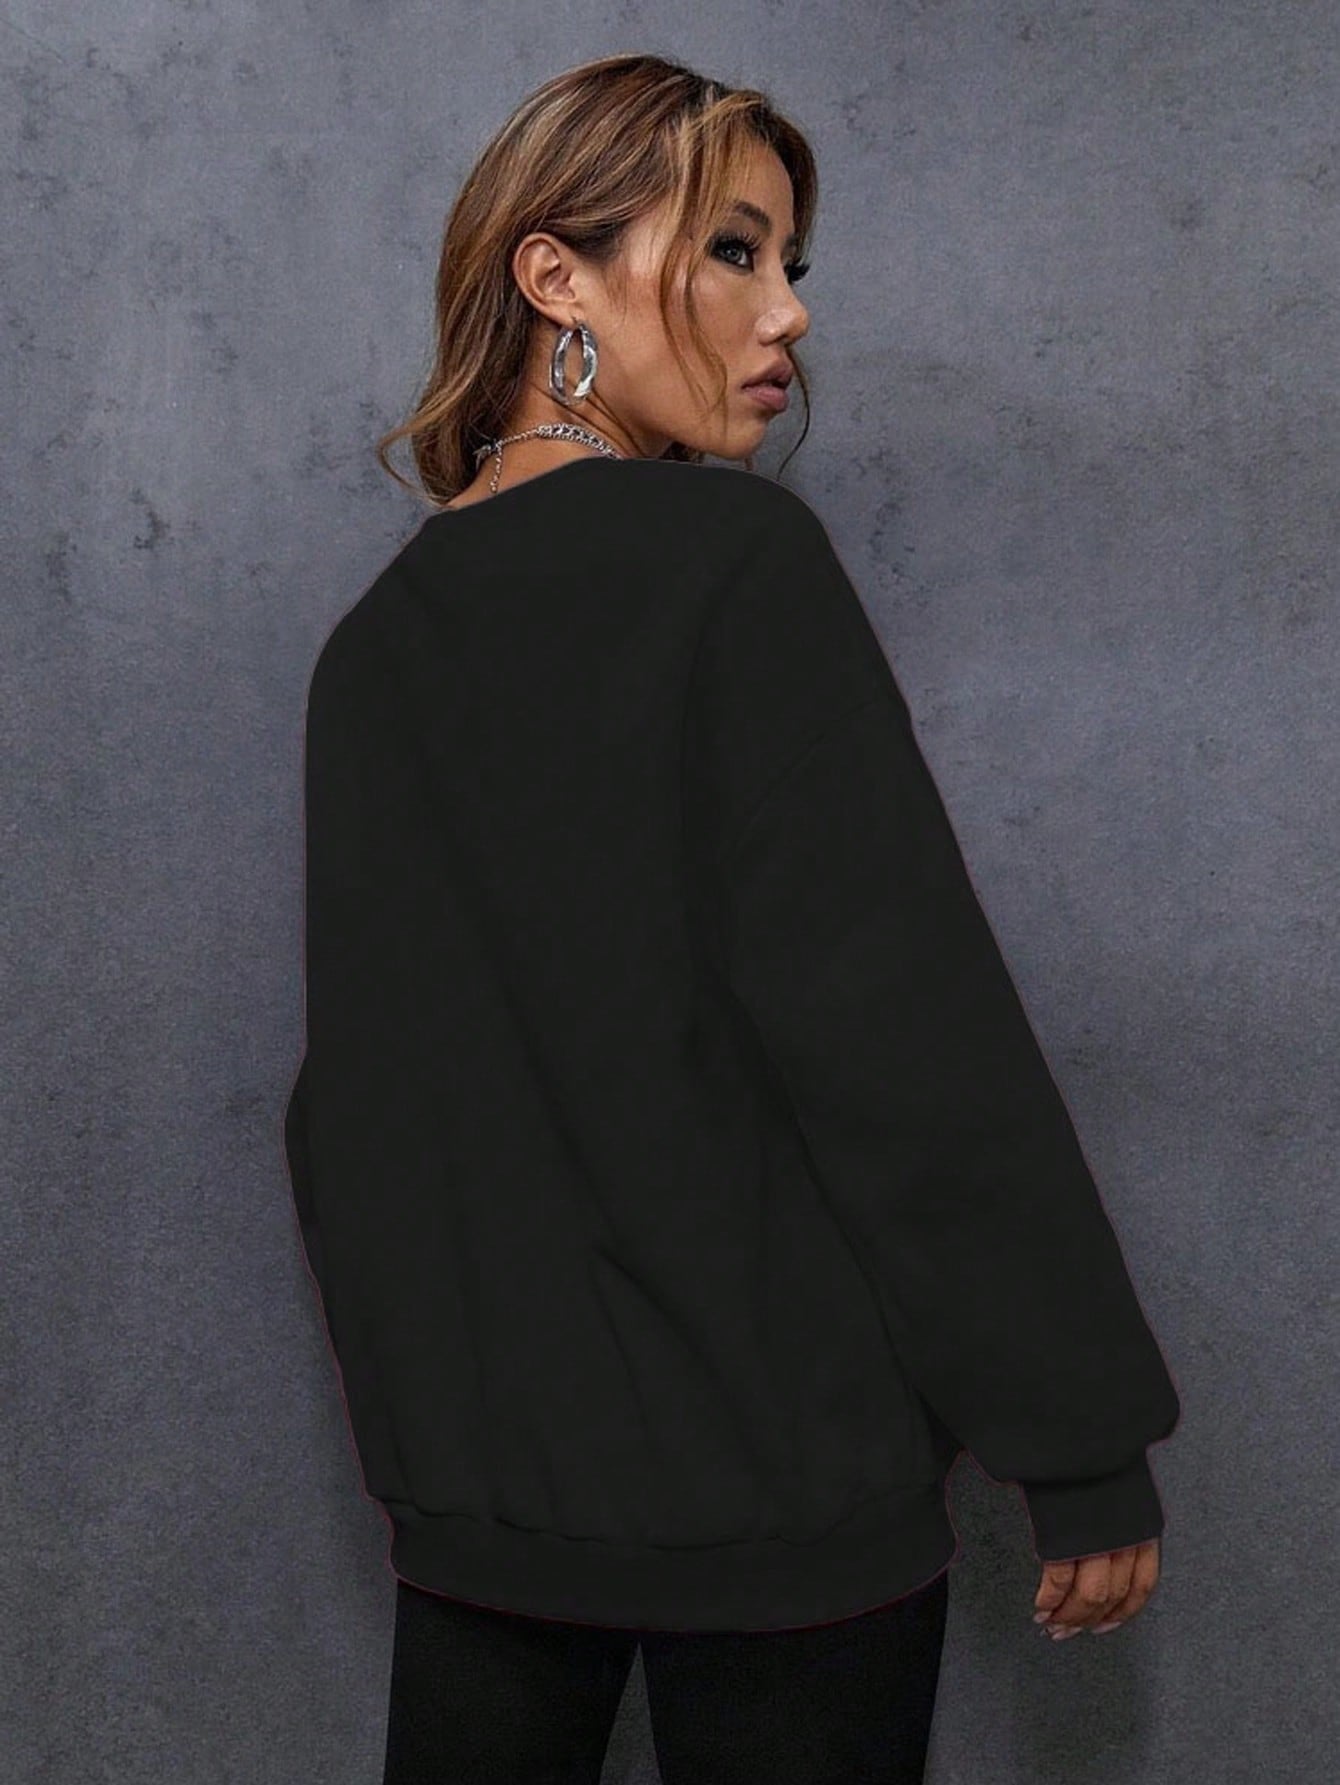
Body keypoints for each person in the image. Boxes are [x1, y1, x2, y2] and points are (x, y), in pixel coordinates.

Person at [282, 53, 1181, 1785]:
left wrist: (443, 1435)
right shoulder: (737, 567)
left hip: (484, 1511)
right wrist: (1078, 1440)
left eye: (789, 263)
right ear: (555, 277)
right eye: (733, 251)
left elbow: (367, 1112)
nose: (790, 313)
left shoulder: (375, 648)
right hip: (782, 1497)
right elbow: (903, 1045)